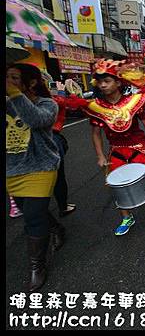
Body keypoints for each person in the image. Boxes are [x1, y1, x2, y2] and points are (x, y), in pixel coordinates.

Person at [82, 59, 145, 236]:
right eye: (99, 82)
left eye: (106, 81)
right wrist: (100, 156)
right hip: (116, 150)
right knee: (116, 185)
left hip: (139, 147)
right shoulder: (97, 107)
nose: (102, 85)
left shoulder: (134, 102)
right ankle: (126, 217)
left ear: (118, 82)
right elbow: (95, 134)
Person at [6, 63, 64, 291]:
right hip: (13, 169)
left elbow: (36, 120)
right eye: (7, 78)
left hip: (42, 167)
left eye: (14, 78)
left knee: (32, 217)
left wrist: (15, 95)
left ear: (30, 82)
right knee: (32, 211)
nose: (9, 81)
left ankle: (36, 267)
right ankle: (57, 228)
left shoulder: (47, 104)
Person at [49, 80, 89, 217]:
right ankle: (62, 207)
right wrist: (61, 92)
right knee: (58, 176)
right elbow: (59, 104)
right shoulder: (48, 100)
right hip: (50, 140)